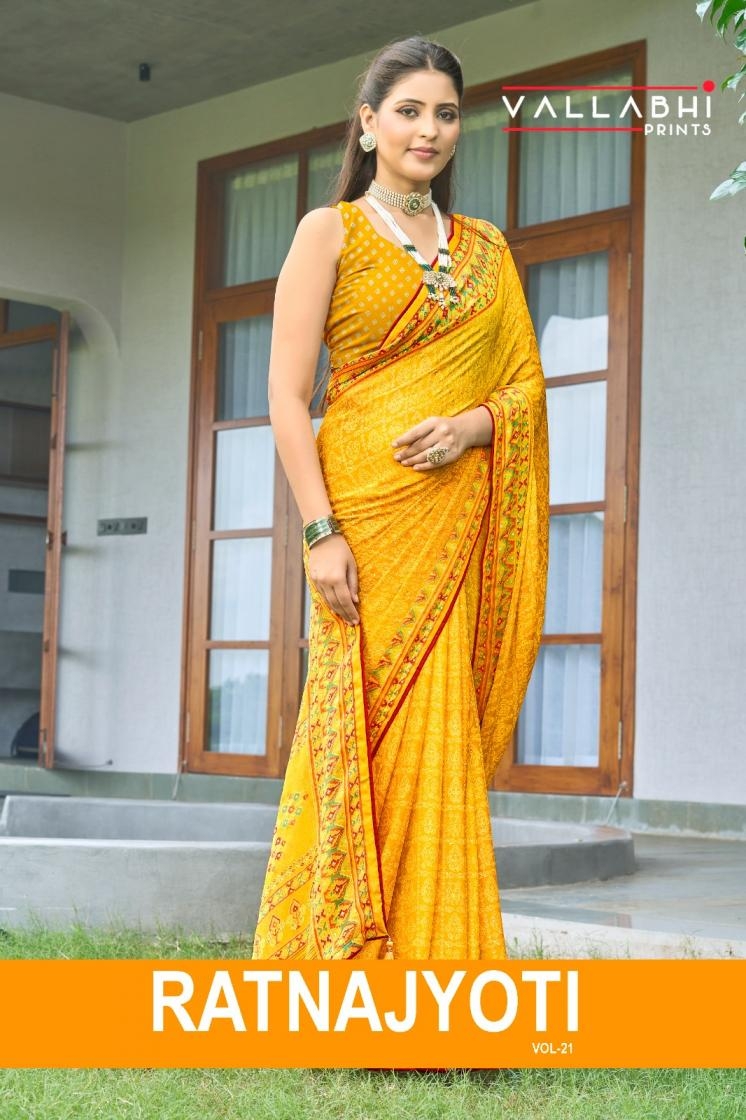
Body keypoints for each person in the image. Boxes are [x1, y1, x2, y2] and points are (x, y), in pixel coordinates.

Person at [251, 36, 548, 961]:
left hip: (453, 531)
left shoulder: (487, 250)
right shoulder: (329, 231)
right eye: (410, 111)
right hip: (364, 531)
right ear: (369, 123)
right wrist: (320, 532)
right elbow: (285, 396)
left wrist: (471, 426)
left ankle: (436, 961)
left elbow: (526, 387)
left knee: (438, 730)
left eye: (446, 113)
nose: (429, 129)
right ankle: (336, 960)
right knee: (353, 732)